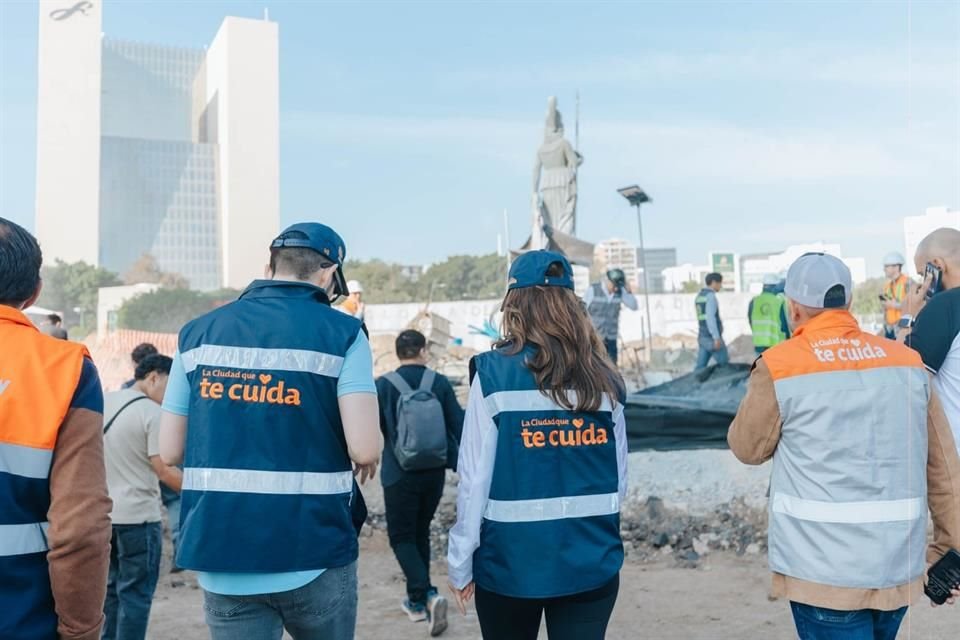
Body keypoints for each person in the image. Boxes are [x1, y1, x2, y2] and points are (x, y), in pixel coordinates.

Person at [159, 222, 382, 640]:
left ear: (269, 265)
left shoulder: (198, 334)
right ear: (327, 273)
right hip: (313, 547)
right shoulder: (344, 333)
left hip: (221, 548)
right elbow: (365, 448)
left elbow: (169, 451)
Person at [728, 252, 960, 640]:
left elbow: (747, 448)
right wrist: (950, 547)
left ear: (793, 309)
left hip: (821, 574)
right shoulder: (907, 362)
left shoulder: (780, 365)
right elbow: (944, 468)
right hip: (895, 571)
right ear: (849, 303)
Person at [447, 250, 627, 640]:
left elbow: (474, 478)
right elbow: (619, 478)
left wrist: (460, 561)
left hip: (510, 566)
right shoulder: (605, 377)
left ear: (514, 305)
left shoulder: (493, 374)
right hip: (590, 559)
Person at [0, 217, 112, 639]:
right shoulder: (64, 370)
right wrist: (81, 630)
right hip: (20, 620)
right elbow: (80, 528)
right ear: (34, 292)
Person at [376, 330, 464, 636]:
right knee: (420, 532)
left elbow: (373, 429)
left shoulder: (384, 385)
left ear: (398, 352)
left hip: (399, 473)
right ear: (423, 351)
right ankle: (416, 600)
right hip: (434, 473)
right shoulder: (438, 383)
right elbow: (459, 425)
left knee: (401, 537)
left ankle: (426, 593)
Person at [102, 354, 182, 640]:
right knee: (135, 595)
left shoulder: (104, 401)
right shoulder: (153, 413)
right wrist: (199, 494)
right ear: (154, 377)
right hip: (139, 519)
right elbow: (164, 470)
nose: (171, 395)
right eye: (170, 386)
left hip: (104, 518)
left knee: (109, 592)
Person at [901, 227, 960, 452]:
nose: (922, 283)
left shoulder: (945, 306)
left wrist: (907, 318)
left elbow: (905, 376)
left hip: (953, 460)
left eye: (922, 274)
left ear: (937, 265)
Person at [584, 268, 638, 365]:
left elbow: (634, 306)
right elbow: (582, 311)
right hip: (595, 339)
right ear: (608, 281)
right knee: (595, 369)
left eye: (618, 286)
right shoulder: (593, 290)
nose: (616, 289)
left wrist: (628, 291)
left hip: (611, 339)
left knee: (612, 371)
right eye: (614, 286)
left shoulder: (620, 292)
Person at [748, 274, 789, 355]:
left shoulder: (754, 301)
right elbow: (784, 325)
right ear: (775, 286)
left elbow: (751, 321)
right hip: (776, 346)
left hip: (759, 345)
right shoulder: (779, 301)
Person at [695, 273, 729, 370]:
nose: (720, 286)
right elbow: (710, 318)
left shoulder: (699, 296)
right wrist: (716, 337)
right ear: (713, 282)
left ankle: (694, 384)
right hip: (711, 338)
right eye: (719, 283)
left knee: (700, 368)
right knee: (725, 367)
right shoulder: (710, 296)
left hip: (702, 337)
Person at [881, 251, 911, 339]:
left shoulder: (908, 283)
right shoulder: (887, 286)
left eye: (887, 266)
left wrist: (894, 305)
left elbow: (914, 306)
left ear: (896, 267)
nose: (884, 269)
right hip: (890, 330)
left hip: (902, 330)